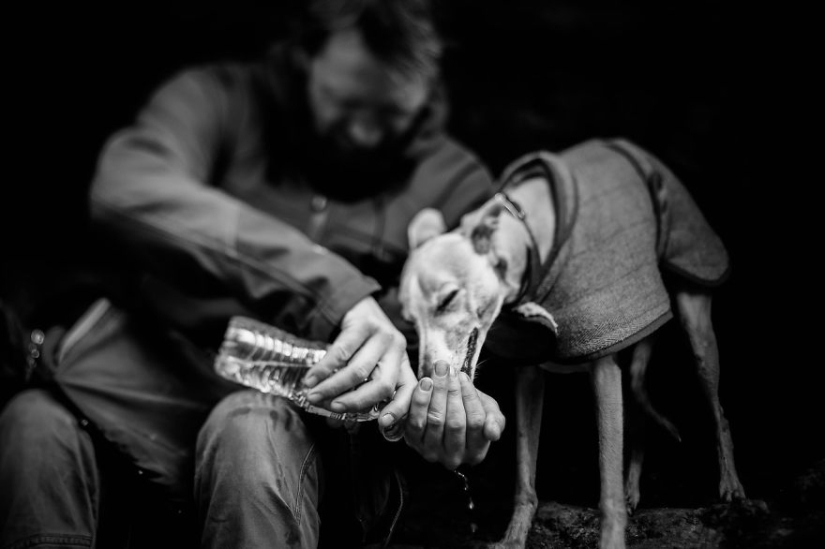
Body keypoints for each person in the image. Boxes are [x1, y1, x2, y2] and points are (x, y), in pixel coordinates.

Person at [0, 1, 506, 548]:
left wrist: (450, 414)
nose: (363, 134)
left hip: (310, 427)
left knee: (249, 427)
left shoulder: (455, 184)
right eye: (346, 104)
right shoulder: (218, 100)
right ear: (305, 56)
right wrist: (332, 291)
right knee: (32, 425)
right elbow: (128, 188)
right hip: (156, 385)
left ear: (425, 96)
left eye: (391, 117)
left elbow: (470, 334)